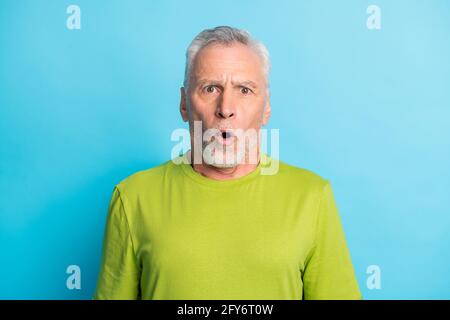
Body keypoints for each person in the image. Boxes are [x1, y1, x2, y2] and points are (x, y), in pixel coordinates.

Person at [93, 26, 362, 300]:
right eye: (210, 88)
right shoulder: (132, 197)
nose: (226, 108)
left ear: (266, 107)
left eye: (244, 90)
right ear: (184, 104)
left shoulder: (312, 197)